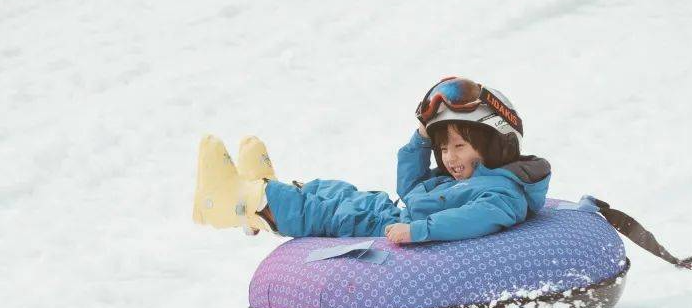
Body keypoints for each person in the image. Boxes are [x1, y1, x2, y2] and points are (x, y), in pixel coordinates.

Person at [192, 77, 551, 244]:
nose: (449, 157)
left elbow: (476, 218)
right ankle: (263, 190)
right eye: (443, 149)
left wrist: (420, 231)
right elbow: (410, 189)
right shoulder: (455, 181)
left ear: (496, 143)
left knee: (327, 214)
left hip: (386, 229)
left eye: (459, 146)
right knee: (333, 192)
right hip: (389, 212)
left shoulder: (503, 192)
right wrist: (420, 141)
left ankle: (240, 201)